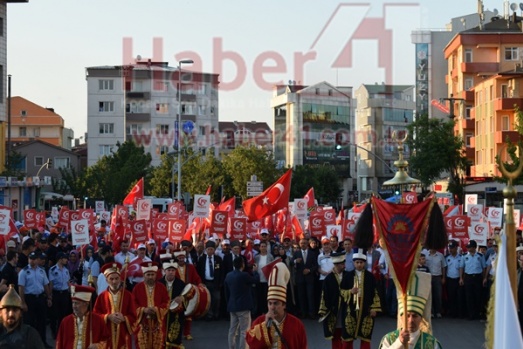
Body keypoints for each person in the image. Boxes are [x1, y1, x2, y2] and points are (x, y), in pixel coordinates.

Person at [246, 262, 308, 348]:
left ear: (284, 305)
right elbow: (251, 343)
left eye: (276, 303)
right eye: (270, 303)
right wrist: (264, 326)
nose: (272, 307)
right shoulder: (258, 322)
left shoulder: (297, 324)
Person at [378, 272, 442, 349]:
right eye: (407, 316)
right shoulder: (389, 339)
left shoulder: (431, 343)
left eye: (415, 316)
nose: (411, 320)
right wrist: (399, 342)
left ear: (421, 318)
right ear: (401, 317)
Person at [344, 248, 381, 349]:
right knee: (348, 336)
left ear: (364, 263)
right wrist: (350, 292)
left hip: (366, 308)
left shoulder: (370, 277)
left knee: (365, 336)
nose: (359, 264)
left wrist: (374, 308)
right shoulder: (347, 276)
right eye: (357, 262)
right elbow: (341, 292)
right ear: (354, 263)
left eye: (361, 262)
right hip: (350, 309)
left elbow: (375, 293)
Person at [93, 262, 137, 349]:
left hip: (123, 333)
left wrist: (124, 318)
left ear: (120, 279)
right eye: (111, 279)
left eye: (117, 278)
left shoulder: (128, 295)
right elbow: (95, 316)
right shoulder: (102, 296)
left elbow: (134, 316)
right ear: (106, 280)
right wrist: (108, 317)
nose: (114, 281)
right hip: (107, 334)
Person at [18, 251, 53, 347]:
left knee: (42, 322)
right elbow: (21, 288)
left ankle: (42, 342)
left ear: (37, 260)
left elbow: (46, 284)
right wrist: (23, 302)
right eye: (30, 259)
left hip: (40, 298)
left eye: (34, 259)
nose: (32, 261)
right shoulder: (24, 271)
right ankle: (29, 344)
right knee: (30, 323)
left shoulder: (41, 271)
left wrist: (49, 297)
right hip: (29, 299)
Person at [132, 261, 169, 349]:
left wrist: (156, 310)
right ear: (144, 275)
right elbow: (133, 303)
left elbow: (167, 302)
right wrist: (143, 310)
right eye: (148, 275)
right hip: (142, 323)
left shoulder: (162, 287)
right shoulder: (137, 288)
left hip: (157, 323)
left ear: (156, 275)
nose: (150, 277)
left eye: (152, 274)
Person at [225, 255, 259, 349]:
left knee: (232, 330)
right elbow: (256, 280)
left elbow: (226, 291)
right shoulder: (244, 275)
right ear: (242, 265)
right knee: (244, 331)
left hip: (232, 306)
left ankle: (231, 347)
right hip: (243, 306)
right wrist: (255, 271)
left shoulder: (228, 275)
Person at [319, 252, 351, 349]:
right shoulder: (329, 278)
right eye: (342, 264)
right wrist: (324, 311)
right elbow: (324, 295)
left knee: (347, 334)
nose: (344, 265)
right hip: (334, 310)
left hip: (347, 309)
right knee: (336, 334)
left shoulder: (348, 276)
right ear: (336, 265)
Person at [0, 284, 45, 348]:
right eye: (7, 310)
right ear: (0, 312)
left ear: (21, 313)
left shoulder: (30, 334)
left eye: (15, 310)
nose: (11, 314)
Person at [174, 249, 202, 340]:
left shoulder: (190, 267)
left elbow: (196, 277)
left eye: (182, 257)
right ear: (176, 258)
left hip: (188, 293)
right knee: (178, 314)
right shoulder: (173, 268)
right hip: (177, 294)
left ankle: (187, 333)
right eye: (179, 257)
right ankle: (177, 334)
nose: (181, 259)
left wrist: (200, 284)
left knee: (188, 314)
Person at [159, 257, 186, 348]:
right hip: (162, 313)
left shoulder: (181, 284)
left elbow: (187, 297)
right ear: (164, 271)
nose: (171, 272)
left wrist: (182, 298)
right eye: (169, 270)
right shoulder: (159, 283)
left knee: (175, 333)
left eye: (173, 270)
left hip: (176, 314)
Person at [196, 240, 224, 321]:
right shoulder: (202, 259)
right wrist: (200, 282)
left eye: (212, 249)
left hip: (215, 283)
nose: (210, 251)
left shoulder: (218, 259)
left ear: (214, 250)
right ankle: (209, 315)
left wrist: (220, 282)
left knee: (217, 298)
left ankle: (216, 314)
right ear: (206, 250)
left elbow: (222, 271)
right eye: (208, 249)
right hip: (205, 283)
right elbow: (198, 271)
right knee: (208, 299)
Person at [459, 239, 486, 320]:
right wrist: (461, 278)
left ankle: (477, 313)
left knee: (478, 296)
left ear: (474, 247)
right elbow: (461, 267)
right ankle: (470, 314)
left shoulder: (480, 256)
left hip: (477, 277)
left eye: (470, 247)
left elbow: (484, 268)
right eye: (468, 247)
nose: (468, 248)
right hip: (468, 277)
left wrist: (484, 278)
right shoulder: (464, 256)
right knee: (469, 296)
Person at [48, 251, 72, 339]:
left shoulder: (66, 270)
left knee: (63, 314)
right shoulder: (53, 269)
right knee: (55, 315)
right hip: (56, 293)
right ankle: (54, 332)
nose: (66, 260)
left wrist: (71, 292)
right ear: (60, 259)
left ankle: (62, 332)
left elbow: (68, 282)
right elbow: (51, 284)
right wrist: (50, 296)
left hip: (64, 293)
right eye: (65, 258)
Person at [292, 238, 317, 319]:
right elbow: (291, 262)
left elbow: (316, 266)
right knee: (301, 296)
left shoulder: (312, 253)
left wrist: (309, 270)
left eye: (305, 243)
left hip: (309, 278)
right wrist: (296, 261)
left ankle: (311, 313)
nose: (303, 244)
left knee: (310, 296)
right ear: (299, 244)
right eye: (301, 243)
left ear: (307, 244)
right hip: (300, 279)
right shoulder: (296, 253)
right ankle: (303, 313)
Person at [425, 247, 446, 318]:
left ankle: (438, 311)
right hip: (428, 277)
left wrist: (443, 277)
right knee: (429, 295)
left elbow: (443, 267)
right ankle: (431, 312)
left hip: (437, 277)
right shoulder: (425, 254)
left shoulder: (440, 255)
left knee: (438, 295)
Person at [445, 240, 462, 318]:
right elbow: (445, 268)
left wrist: (462, 278)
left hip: (458, 279)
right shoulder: (447, 258)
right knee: (451, 297)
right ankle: (452, 313)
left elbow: (463, 269)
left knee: (459, 297)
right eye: (449, 248)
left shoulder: (461, 257)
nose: (450, 249)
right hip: (450, 279)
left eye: (452, 248)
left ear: (456, 248)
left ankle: (459, 313)